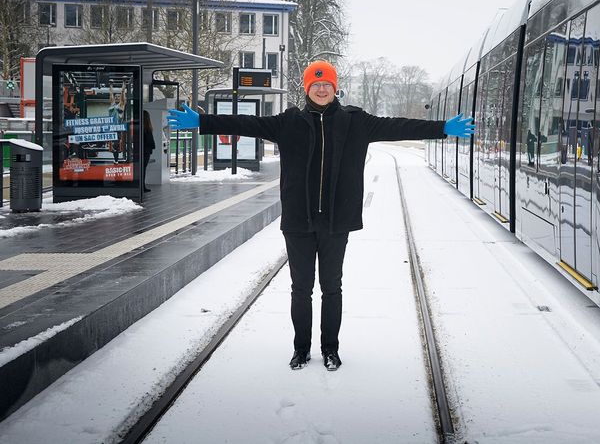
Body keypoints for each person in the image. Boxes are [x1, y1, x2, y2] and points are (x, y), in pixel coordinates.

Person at [167, 60, 474, 371]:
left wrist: (441, 129)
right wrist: (203, 123)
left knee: (332, 287)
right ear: (307, 88)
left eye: (326, 83)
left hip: (336, 221)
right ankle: (301, 350)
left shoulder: (356, 121)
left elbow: (398, 125)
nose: (322, 88)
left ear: (334, 86)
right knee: (301, 289)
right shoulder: (288, 123)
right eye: (316, 84)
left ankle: (330, 349)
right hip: (299, 221)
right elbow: (248, 125)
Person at [142, 110, 156, 192]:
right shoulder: (148, 128)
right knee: (143, 169)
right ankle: (142, 186)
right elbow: (150, 141)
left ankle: (141, 186)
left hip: (142, 151)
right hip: (146, 151)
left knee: (141, 169)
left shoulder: (141, 128)